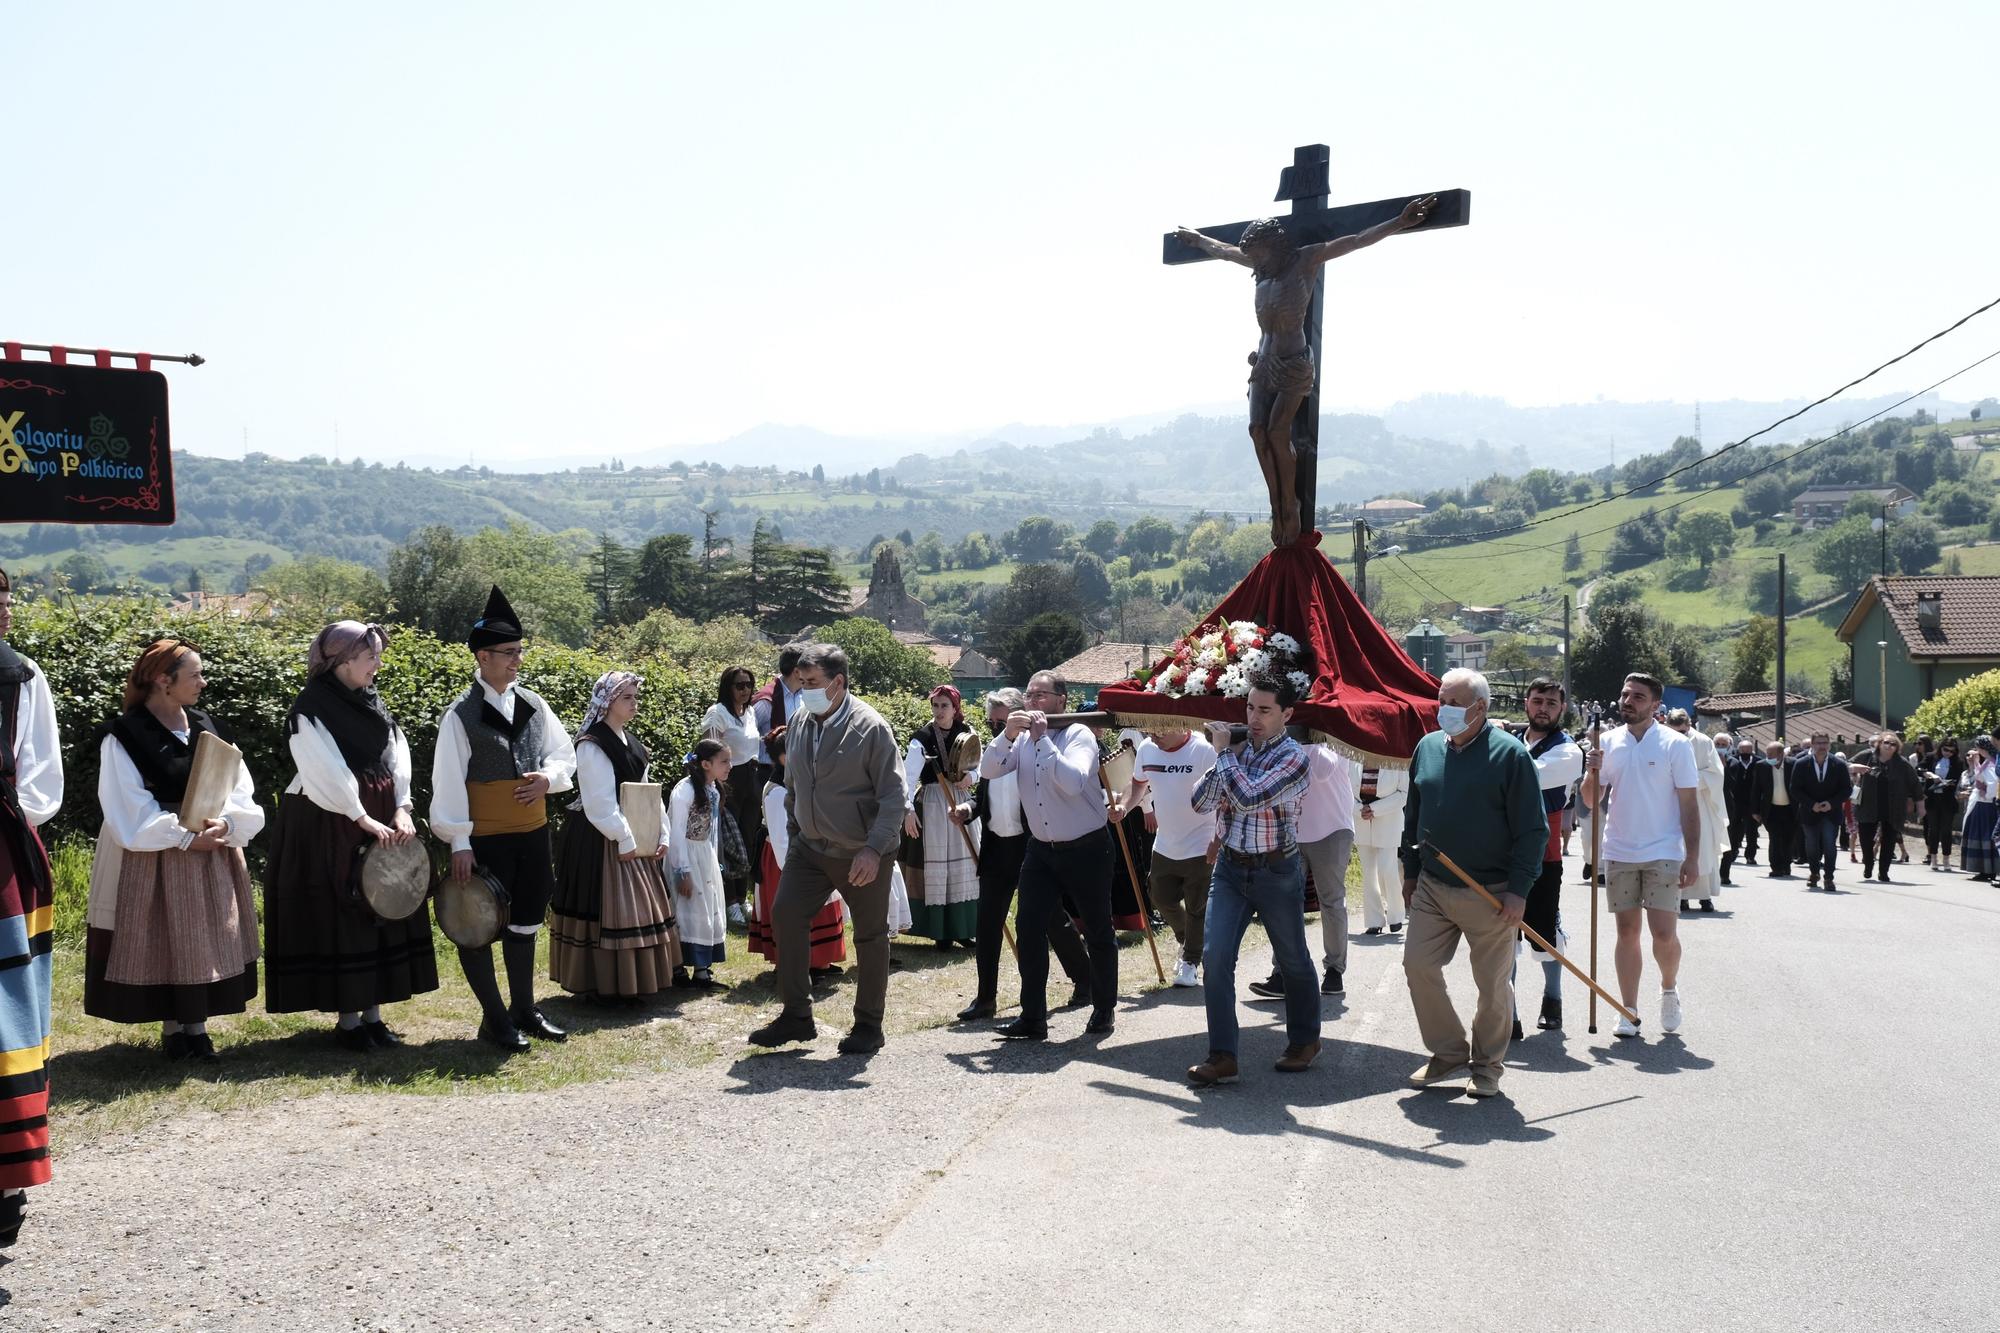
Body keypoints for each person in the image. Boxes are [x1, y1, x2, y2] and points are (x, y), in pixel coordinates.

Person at [84, 639, 265, 1060]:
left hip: (211, 848)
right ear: (164, 681)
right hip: (153, 853)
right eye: (195, 675)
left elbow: (239, 787)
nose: (203, 682)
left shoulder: (208, 726)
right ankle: (173, 1028)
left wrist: (230, 823)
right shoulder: (125, 735)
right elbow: (125, 806)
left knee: (202, 936)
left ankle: (196, 1028)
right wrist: (182, 836)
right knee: (166, 937)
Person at [264, 622, 436, 1049]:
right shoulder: (311, 707)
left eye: (378, 655)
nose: (378, 664)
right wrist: (360, 816)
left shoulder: (372, 701)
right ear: (341, 661)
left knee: (381, 904)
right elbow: (321, 767)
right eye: (370, 656)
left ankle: (373, 1015)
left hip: (379, 808)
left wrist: (401, 806)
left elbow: (396, 751)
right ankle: (348, 1020)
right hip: (330, 814)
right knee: (343, 905)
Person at [430, 587, 577, 1053]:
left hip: (532, 834)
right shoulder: (460, 714)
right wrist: (459, 843)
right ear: (483, 656)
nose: (517, 660)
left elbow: (563, 752)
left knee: (528, 918)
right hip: (484, 838)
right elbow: (449, 781)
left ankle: (523, 1009)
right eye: (509, 653)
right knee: (476, 924)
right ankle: (495, 1019)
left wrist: (548, 780)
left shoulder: (534, 703)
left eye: (519, 652)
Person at [749, 644, 906, 1055]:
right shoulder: (801, 721)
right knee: (785, 914)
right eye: (801, 683)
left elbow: (893, 797)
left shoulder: (871, 727)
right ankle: (797, 1017)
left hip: (862, 853)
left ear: (837, 683)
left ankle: (869, 1025)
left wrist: (873, 850)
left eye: (812, 683)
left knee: (871, 936)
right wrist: (796, 828)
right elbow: (794, 784)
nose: (803, 691)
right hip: (811, 848)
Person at [1397, 669, 1547, 1098]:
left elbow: (1533, 830)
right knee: (1418, 965)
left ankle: (1486, 1066)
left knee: (1493, 986)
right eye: (1441, 700)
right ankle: (1447, 1052)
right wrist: (1410, 871)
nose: (1443, 709)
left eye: (1454, 703)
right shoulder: (1426, 748)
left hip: (1493, 894)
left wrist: (1519, 890)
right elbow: (1413, 816)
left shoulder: (1510, 756)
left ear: (1480, 708)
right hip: (1433, 885)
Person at [1185, 674, 1319, 1085]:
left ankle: (1304, 1039)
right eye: (1249, 708)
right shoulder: (1236, 754)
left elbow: (1248, 798)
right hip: (1230, 868)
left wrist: (1224, 757)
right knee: (1216, 956)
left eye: (1264, 710)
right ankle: (1222, 1054)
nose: (1254, 717)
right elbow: (1200, 802)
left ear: (1287, 714)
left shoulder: (1294, 759)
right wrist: (1224, 759)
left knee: (1292, 957)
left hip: (1277, 870)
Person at [980, 670, 1121, 1042]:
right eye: (1029, 696)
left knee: (1098, 931)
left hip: (1087, 848)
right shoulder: (1022, 738)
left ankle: (1103, 1008)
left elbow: (1072, 783)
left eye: (1041, 696)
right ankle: (1033, 1017)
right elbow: (989, 769)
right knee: (1028, 929)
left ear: (1061, 700)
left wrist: (1042, 741)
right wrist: (1008, 735)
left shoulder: (1079, 735)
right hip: (1042, 850)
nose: (1033, 703)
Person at [956, 689, 1094, 1019]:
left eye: (1002, 721)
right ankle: (985, 998)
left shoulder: (1029, 750)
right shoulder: (998, 750)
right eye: (992, 723)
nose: (995, 728)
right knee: (987, 924)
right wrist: (967, 809)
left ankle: (1086, 980)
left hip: (1029, 847)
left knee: (1050, 920)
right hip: (996, 849)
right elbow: (986, 795)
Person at [549, 671, 681, 1003]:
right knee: (607, 907)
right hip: (600, 838)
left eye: (636, 697)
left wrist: (660, 831)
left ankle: (631, 983)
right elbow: (599, 802)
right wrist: (624, 838)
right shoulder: (592, 743)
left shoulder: (633, 743)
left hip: (634, 834)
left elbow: (649, 793)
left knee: (637, 907)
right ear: (607, 702)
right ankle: (600, 983)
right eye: (627, 698)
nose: (634, 703)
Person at [1579, 673, 1698, 1039]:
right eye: (1625, 693)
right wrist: (1592, 769)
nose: (1628, 701)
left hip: (1663, 850)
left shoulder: (1675, 745)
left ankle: (1668, 988)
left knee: (1663, 933)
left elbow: (1690, 806)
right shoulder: (1608, 742)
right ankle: (1627, 1008)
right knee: (1626, 931)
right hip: (1619, 849)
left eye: (1638, 696)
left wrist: (1692, 857)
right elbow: (1589, 800)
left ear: (1655, 705)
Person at [0, 570, 61, 1246]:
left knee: (5, 1021)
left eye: (7, 601)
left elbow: (41, 782)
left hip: (2, 862)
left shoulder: (21, 677)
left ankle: (6, 1185)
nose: (5, 613)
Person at [1112, 720, 1217, 989]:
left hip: (1201, 842)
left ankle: (1191, 962)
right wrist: (1124, 807)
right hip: (1166, 843)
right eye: (1149, 730)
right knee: (1160, 897)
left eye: (1159, 730)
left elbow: (1222, 794)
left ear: (1181, 725)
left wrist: (1218, 839)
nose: (1153, 735)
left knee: (1197, 906)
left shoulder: (1204, 750)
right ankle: (1190, 941)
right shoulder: (1147, 749)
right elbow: (1137, 785)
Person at [1246, 741, 1353, 1001]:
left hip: (1332, 830)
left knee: (1331, 901)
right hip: (1291, 832)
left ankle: (1334, 971)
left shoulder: (1335, 741)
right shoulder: (1282, 742)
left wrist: (1305, 738)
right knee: (1284, 904)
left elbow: (1321, 769)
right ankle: (1282, 973)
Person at [1516, 677, 1583, 1032]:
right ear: (1527, 703)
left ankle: (1552, 998)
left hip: (1543, 854)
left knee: (1542, 929)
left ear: (1562, 709)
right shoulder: (1509, 742)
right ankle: (1506, 1009)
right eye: (1538, 700)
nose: (1543, 708)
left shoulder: (1568, 750)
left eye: (1551, 703)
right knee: (1500, 934)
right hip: (1500, 852)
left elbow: (1527, 776)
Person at [748, 763, 847, 976]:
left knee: (820, 907)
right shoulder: (777, 792)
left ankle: (819, 961)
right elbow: (781, 838)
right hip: (786, 858)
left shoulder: (800, 781)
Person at [902, 685, 981, 948]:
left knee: (966, 864)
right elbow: (907, 778)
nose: (939, 711)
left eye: (944, 705)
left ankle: (962, 928)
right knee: (938, 866)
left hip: (960, 802)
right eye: (935, 705)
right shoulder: (921, 738)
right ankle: (940, 931)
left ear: (955, 707)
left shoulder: (967, 732)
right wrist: (908, 811)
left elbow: (981, 766)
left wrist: (972, 777)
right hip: (934, 803)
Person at [666, 739, 732, 988]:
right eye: (723, 761)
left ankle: (703, 970)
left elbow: (710, 829)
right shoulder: (684, 792)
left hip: (703, 854)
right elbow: (676, 833)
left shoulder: (712, 789)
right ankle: (677, 968)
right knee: (686, 908)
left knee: (707, 908)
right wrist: (682, 871)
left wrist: (714, 859)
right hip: (685, 857)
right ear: (705, 763)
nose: (729, 766)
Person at [703, 666, 765, 925]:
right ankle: (729, 901)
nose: (744, 690)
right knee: (729, 841)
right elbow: (708, 750)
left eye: (749, 685)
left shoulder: (749, 712)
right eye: (739, 685)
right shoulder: (717, 714)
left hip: (751, 778)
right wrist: (717, 785)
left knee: (748, 839)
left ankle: (742, 897)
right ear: (728, 687)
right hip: (728, 781)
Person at [1669, 710, 1726, 914]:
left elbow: (1716, 773)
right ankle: (1681, 896)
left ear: (1689, 725)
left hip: (1700, 802)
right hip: (1672, 803)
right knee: (1678, 850)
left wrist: (1689, 779)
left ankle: (1704, 897)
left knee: (1702, 850)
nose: (1680, 736)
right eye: (1675, 732)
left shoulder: (1703, 741)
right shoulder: (1665, 741)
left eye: (1683, 731)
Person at [1790, 732, 1851, 893]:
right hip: (1810, 812)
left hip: (1831, 812)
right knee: (1811, 845)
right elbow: (1795, 789)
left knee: (1830, 844)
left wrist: (1831, 803)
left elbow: (1847, 789)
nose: (1821, 746)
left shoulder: (1838, 764)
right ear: (1812, 744)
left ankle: (1829, 877)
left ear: (1829, 744)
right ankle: (1814, 873)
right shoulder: (1802, 763)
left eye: (1824, 743)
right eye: (1818, 743)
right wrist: (1811, 804)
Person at [1352, 760, 1408, 934]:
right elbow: (1344, 791)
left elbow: (1403, 794)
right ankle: (1374, 920)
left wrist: (1375, 808)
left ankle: (1396, 915)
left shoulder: (1395, 760)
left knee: (1387, 870)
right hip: (1361, 820)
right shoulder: (1352, 759)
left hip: (1388, 820)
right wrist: (1358, 809)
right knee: (1369, 873)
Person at [1857, 733, 1919, 883]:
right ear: (1879, 743)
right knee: (1865, 839)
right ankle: (1868, 863)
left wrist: (1919, 804)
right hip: (1868, 804)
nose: (1889, 746)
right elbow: (1844, 764)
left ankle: (1883, 872)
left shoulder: (1902, 763)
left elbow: (1914, 783)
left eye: (1893, 744)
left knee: (1889, 840)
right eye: (1886, 742)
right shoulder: (1867, 756)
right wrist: (1853, 768)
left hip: (1893, 807)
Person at [1754, 740, 1798, 879]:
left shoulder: (1794, 764)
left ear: (1781, 754)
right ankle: (1776, 867)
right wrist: (1755, 811)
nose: (1768, 757)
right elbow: (1756, 789)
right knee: (1774, 838)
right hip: (1771, 809)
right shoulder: (1762, 766)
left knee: (1788, 839)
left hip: (1791, 809)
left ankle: (1786, 865)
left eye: (1771, 754)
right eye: (1767, 754)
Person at [1922, 737, 1966, 868]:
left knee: (1946, 830)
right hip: (1932, 798)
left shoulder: (1958, 762)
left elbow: (1958, 779)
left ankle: (1946, 858)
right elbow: (1919, 768)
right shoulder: (1931, 757)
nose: (1948, 753)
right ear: (1940, 747)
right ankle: (1933, 857)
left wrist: (1947, 783)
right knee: (1933, 829)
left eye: (1951, 751)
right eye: (1945, 749)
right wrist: (1931, 775)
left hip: (1948, 799)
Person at [1723, 736, 1760, 877]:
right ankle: (1732, 852)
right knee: (1734, 829)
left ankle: (1750, 855)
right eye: (1742, 750)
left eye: (1748, 750)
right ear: (1738, 750)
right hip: (1735, 801)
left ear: (1752, 751)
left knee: (1752, 830)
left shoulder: (1758, 762)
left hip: (1752, 802)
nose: (1745, 753)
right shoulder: (1733, 761)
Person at [1962, 739, 1998, 882]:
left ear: (1983, 749)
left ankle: (1987, 870)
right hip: (1983, 804)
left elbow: (1993, 783)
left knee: (1983, 837)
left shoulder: (1991, 763)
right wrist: (1975, 762)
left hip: (1985, 806)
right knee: (1982, 837)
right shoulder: (1989, 762)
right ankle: (1985, 869)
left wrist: (1988, 794)